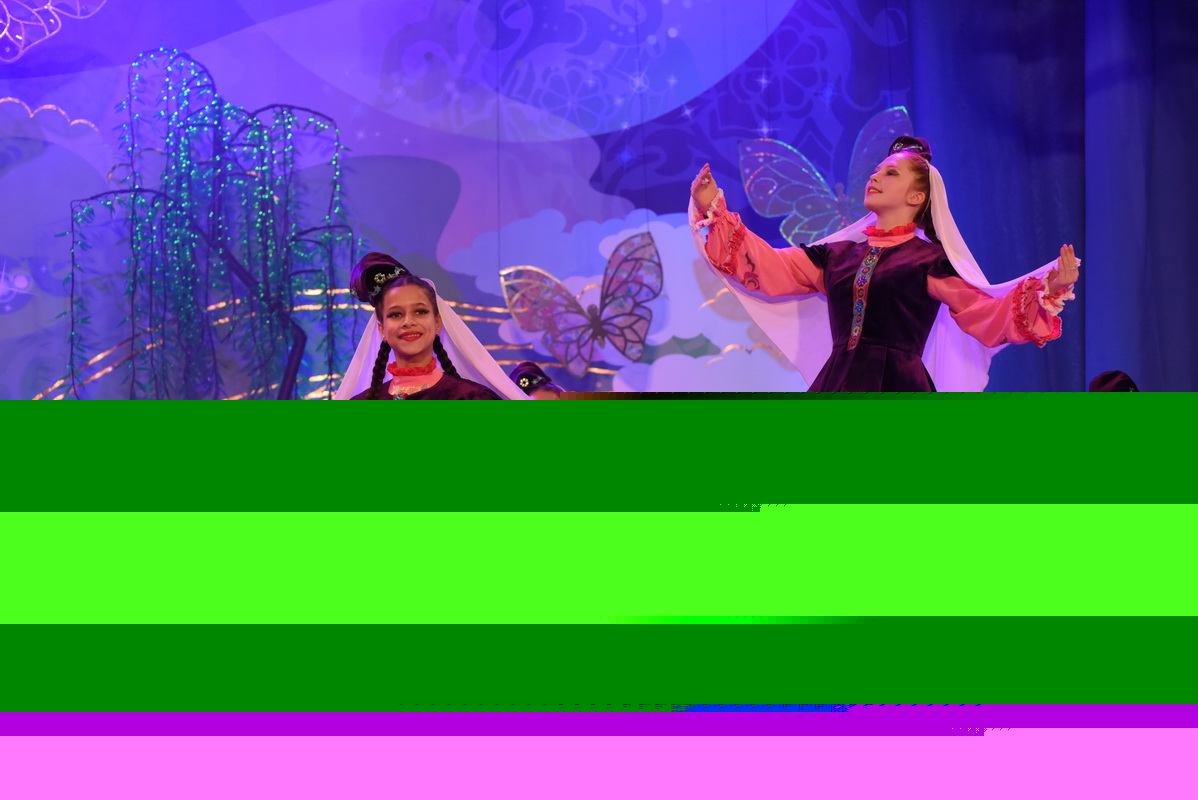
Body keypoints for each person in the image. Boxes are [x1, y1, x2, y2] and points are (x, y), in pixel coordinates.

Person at [689, 136, 1080, 391]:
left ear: (916, 198)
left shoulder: (927, 261)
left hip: (899, 384)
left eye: (890, 173)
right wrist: (714, 210)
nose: (875, 177)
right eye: (876, 171)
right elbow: (766, 266)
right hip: (838, 380)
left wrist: (1049, 290)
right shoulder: (837, 256)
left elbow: (986, 313)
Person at [334, 252, 529, 400]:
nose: (408, 322)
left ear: (437, 323)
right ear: (382, 330)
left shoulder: (472, 398)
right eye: (396, 314)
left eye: (420, 311)